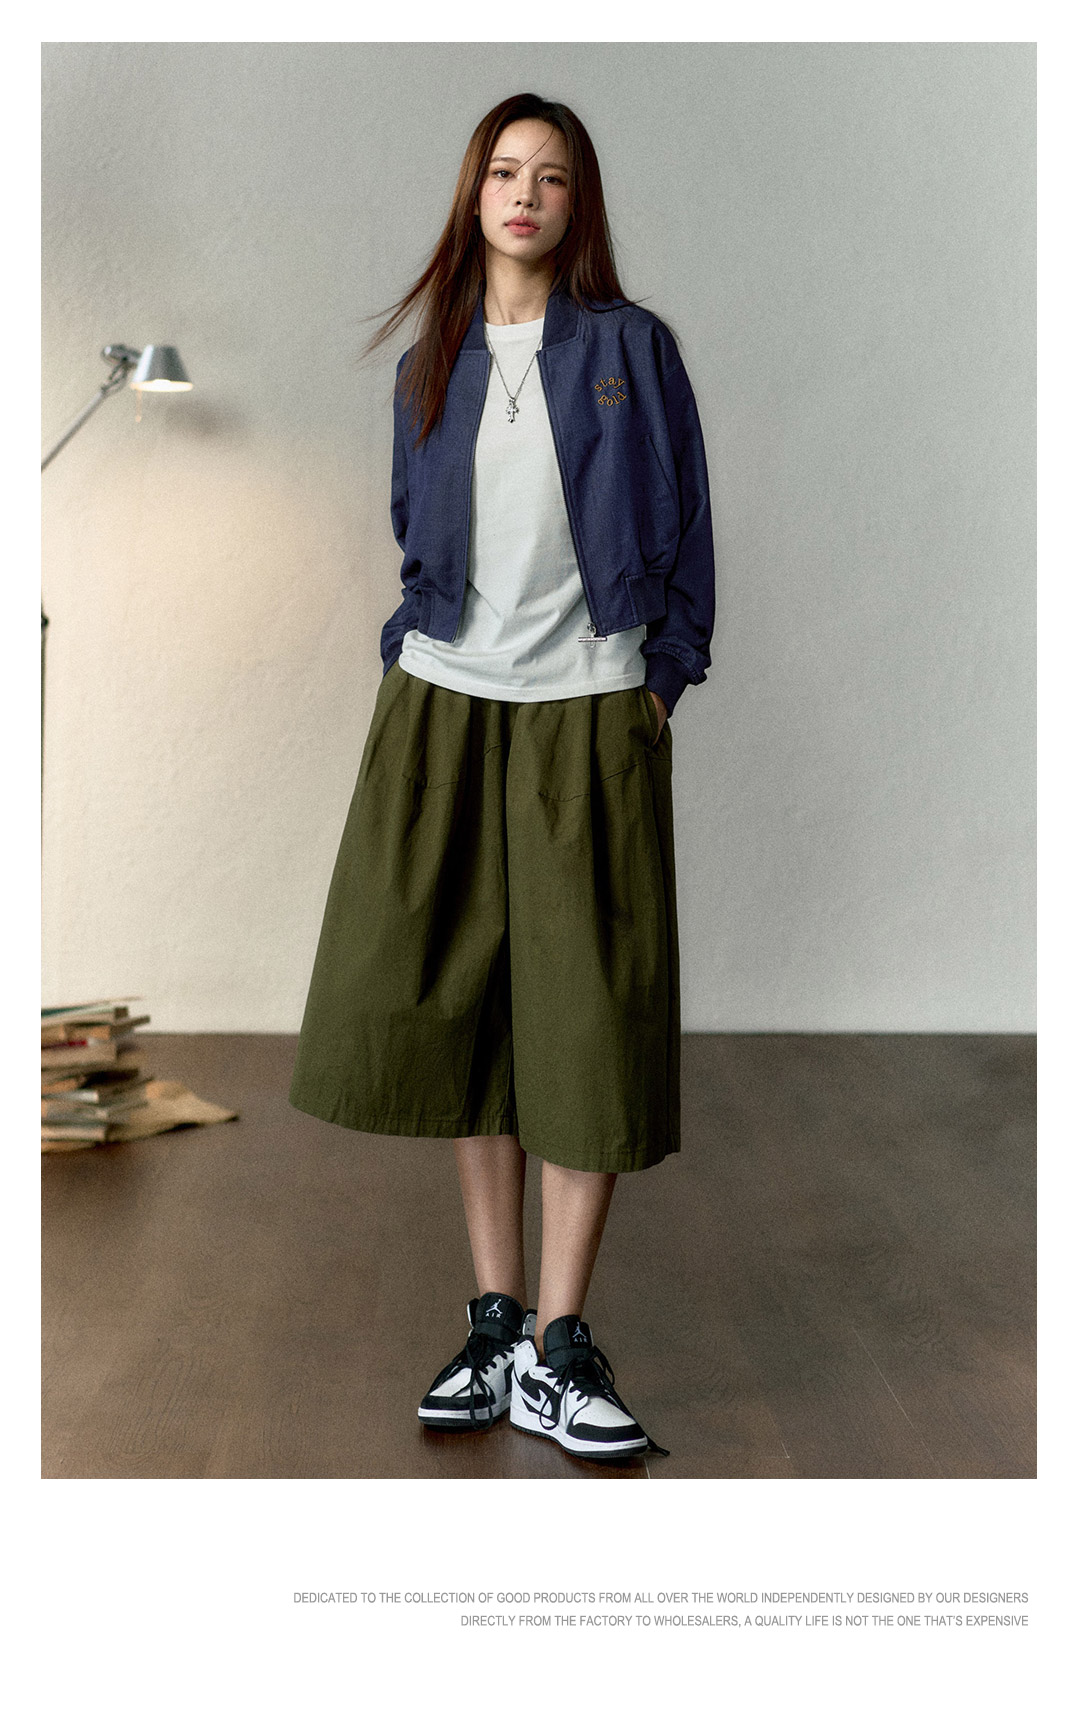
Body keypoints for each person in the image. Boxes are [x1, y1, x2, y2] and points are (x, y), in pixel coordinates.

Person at [289, 92, 714, 1463]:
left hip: (590, 713)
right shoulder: (434, 357)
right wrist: (410, 650)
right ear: (474, 196)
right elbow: (414, 528)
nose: (527, 194)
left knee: (586, 1026)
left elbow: (690, 520)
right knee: (466, 1014)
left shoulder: (633, 349)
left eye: (553, 177)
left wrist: (660, 678)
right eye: (506, 172)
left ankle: (561, 1346)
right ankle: (496, 1324)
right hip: (448, 707)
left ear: (578, 207)